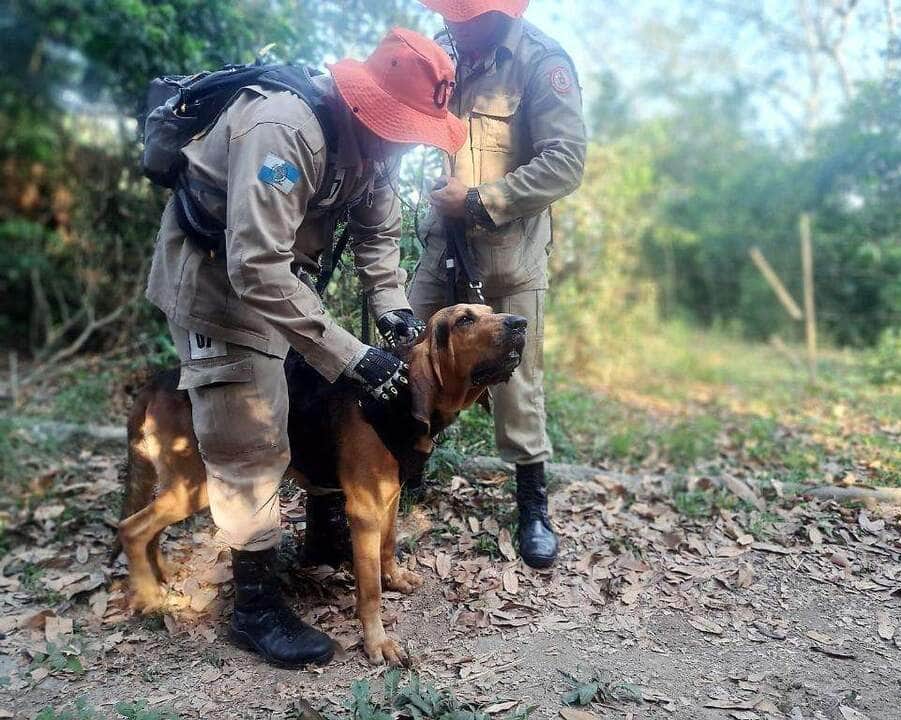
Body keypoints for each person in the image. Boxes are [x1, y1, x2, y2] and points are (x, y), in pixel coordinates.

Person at [144, 28, 466, 667]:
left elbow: (377, 240)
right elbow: (255, 266)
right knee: (249, 436)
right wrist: (354, 355)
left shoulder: (377, 151)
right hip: (216, 280)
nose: (401, 142)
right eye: (395, 126)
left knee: (315, 400)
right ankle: (254, 605)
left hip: (278, 282)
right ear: (362, 104)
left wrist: (397, 318)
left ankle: (323, 535)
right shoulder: (282, 130)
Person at [408, 0, 586, 569]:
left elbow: (565, 162)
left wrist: (483, 200)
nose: (455, 23)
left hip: (508, 256)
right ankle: (406, 467)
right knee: (407, 350)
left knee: (518, 380)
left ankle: (532, 505)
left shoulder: (541, 62)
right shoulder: (445, 50)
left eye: (467, 15)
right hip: (442, 248)